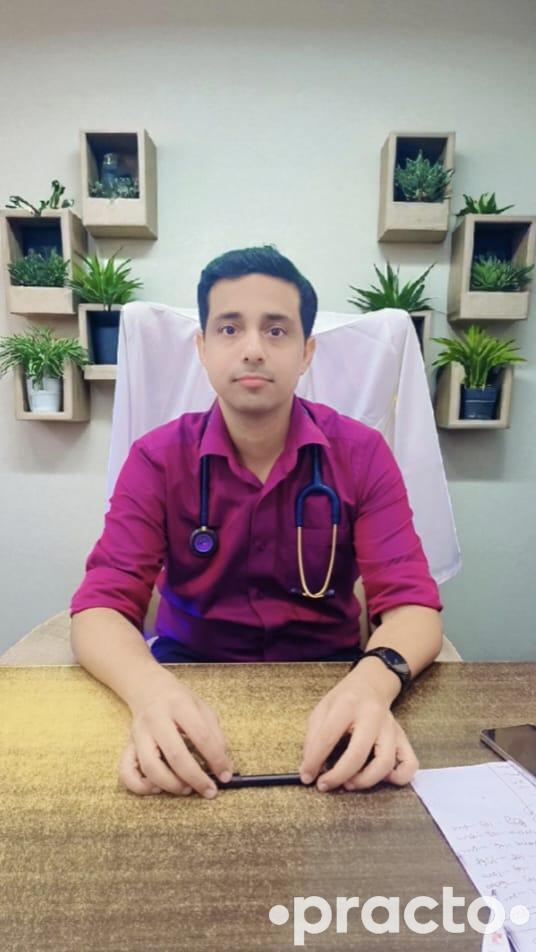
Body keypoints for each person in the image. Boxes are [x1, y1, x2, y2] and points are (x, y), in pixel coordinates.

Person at [70, 244, 444, 802]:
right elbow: (100, 606)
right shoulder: (156, 459)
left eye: (276, 330)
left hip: (333, 685)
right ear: (201, 348)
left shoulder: (362, 453)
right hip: (184, 682)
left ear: (306, 352)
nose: (252, 349)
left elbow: (413, 603)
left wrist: (372, 684)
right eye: (229, 329)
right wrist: (148, 691)